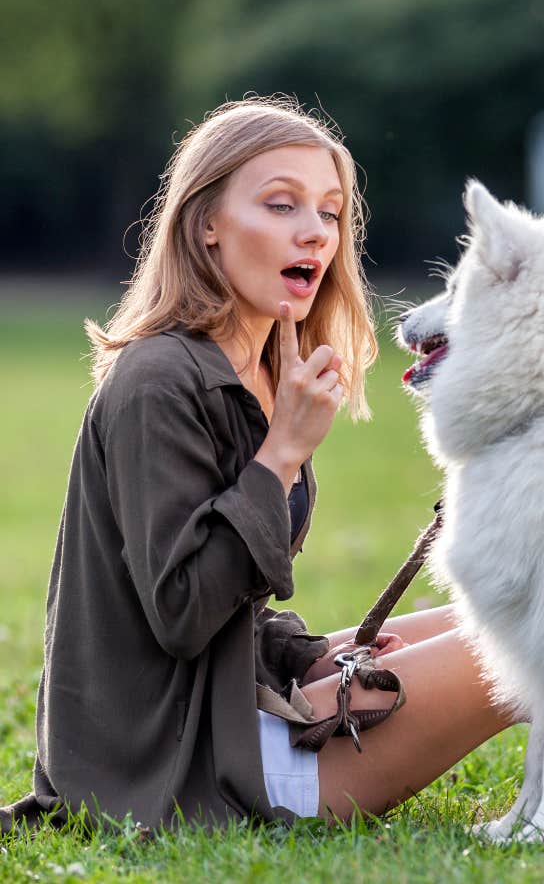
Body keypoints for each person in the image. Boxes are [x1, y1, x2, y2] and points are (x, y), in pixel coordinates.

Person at [0, 97, 510, 833]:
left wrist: (308, 657)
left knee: (499, 617)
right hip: (180, 773)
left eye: (330, 212)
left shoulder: (263, 365)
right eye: (281, 204)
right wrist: (283, 453)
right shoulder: (157, 380)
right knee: (529, 647)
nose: (314, 231)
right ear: (205, 223)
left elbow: (227, 613)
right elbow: (180, 614)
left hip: (227, 709)